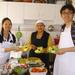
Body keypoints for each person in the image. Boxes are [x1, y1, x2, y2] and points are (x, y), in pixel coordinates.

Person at [53, 4, 75, 75]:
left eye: (69, 12)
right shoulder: (63, 27)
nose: (67, 15)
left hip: (71, 61)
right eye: (64, 13)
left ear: (73, 14)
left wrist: (63, 50)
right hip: (60, 60)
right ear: (61, 15)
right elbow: (62, 43)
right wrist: (57, 47)